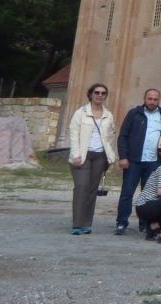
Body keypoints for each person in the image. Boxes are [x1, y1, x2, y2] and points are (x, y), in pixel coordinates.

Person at [115, 88, 161, 235]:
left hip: (154, 162)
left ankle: (145, 223)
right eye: (150, 99)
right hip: (134, 161)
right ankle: (122, 223)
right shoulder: (134, 114)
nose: (152, 102)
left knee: (150, 195)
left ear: (159, 100)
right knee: (127, 193)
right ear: (144, 98)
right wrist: (123, 156)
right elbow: (123, 136)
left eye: (155, 99)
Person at [67, 83, 118, 235]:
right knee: (81, 187)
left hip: (100, 156)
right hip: (83, 155)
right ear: (90, 94)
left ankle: (86, 223)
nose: (100, 95)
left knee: (92, 190)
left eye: (103, 93)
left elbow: (110, 135)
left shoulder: (108, 115)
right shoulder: (81, 113)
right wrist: (76, 154)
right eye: (97, 92)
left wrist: (110, 156)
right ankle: (77, 224)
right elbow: (73, 134)